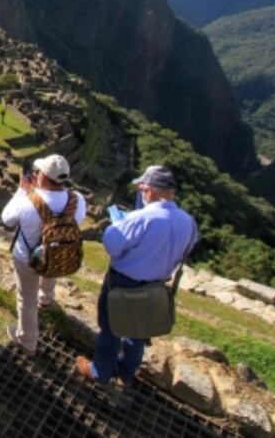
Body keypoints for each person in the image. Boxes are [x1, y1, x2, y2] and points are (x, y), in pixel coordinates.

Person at [76, 165, 197, 386]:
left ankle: (100, 372)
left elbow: (112, 246)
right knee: (138, 331)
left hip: (123, 281)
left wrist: (119, 225)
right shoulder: (188, 222)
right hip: (156, 285)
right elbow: (186, 250)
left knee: (111, 327)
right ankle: (126, 373)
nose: (141, 191)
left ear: (151, 190)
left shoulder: (141, 219)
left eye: (142, 187)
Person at [1, 154, 87, 353]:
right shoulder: (77, 200)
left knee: (25, 299)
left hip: (27, 258)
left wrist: (22, 191)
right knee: (52, 263)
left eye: (39, 172)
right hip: (59, 252)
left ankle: (27, 340)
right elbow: (79, 220)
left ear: (43, 178)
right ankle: (46, 299)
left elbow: (7, 220)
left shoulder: (27, 201)